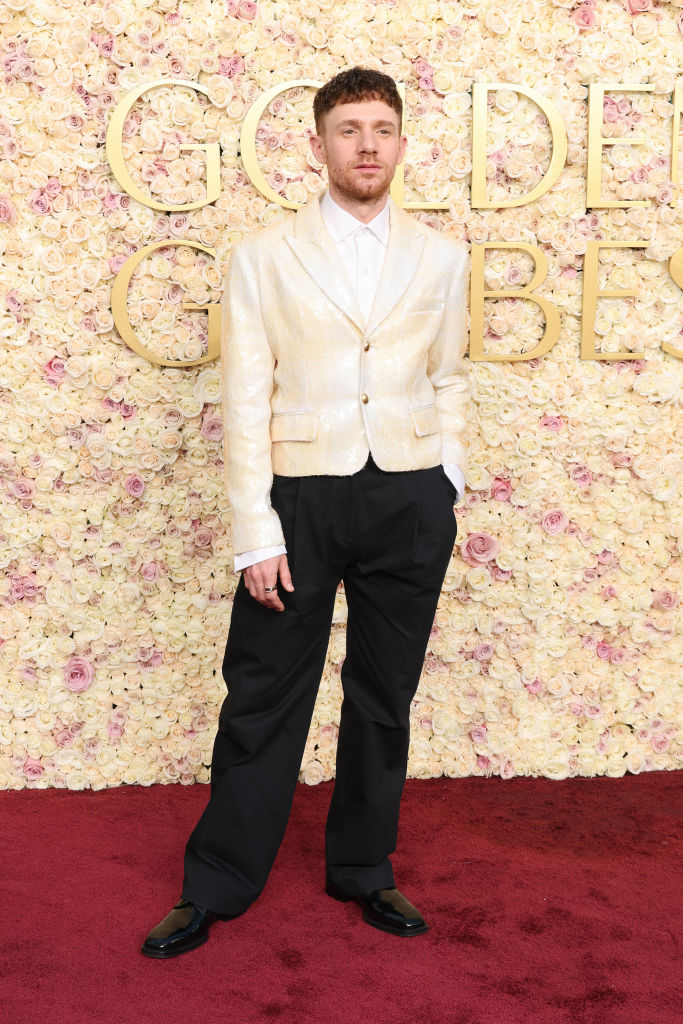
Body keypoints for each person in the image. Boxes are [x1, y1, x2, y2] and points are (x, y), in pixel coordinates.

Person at [141, 66, 470, 959]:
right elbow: (246, 397)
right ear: (318, 143)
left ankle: (364, 869)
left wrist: (448, 481)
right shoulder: (262, 256)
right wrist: (256, 528)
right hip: (300, 498)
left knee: (384, 696)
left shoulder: (441, 256)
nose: (368, 145)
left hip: (407, 494)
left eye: (383, 128)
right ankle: (215, 884)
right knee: (261, 695)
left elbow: (446, 376)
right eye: (349, 129)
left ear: (401, 142)